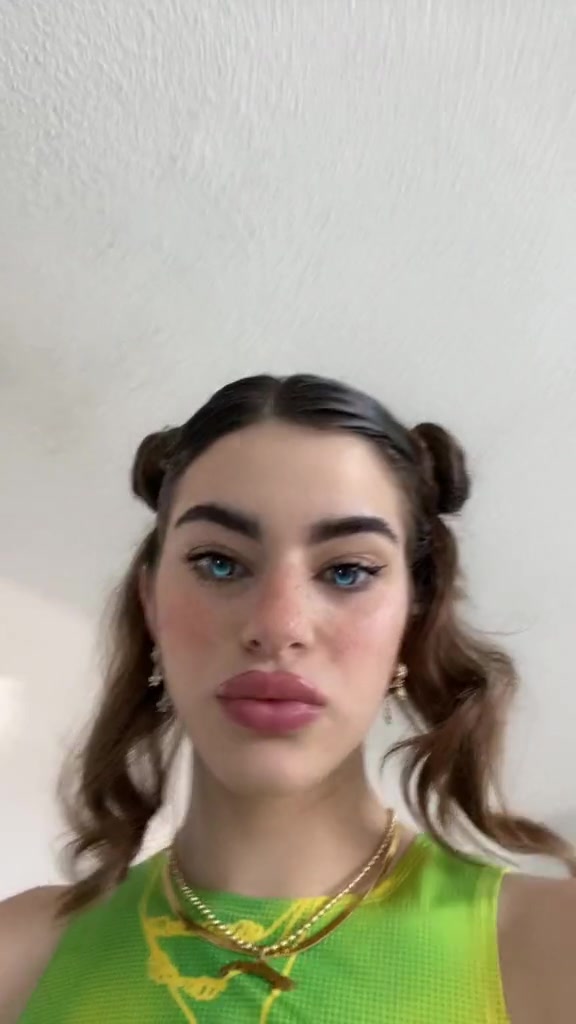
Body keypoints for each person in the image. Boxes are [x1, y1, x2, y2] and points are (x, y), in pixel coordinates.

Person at [1, 373, 575, 1024]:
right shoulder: (16, 958)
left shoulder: (553, 951)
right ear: (151, 603)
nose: (278, 626)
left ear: (414, 620)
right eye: (219, 562)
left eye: (347, 571)